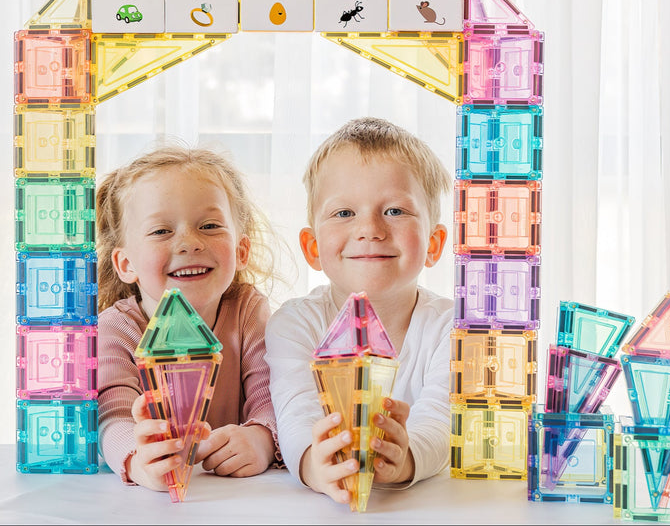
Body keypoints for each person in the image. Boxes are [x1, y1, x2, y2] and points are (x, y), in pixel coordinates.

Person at [265, 117, 453, 504]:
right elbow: (296, 413)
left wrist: (405, 459)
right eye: (344, 213)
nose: (370, 229)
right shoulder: (294, 323)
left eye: (396, 211)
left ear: (434, 244)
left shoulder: (453, 328)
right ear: (313, 247)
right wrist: (313, 466)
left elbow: (440, 419)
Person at [97, 144, 284, 491]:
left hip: (237, 499)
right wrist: (138, 460)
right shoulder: (118, 326)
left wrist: (261, 438)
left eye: (210, 225)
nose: (188, 243)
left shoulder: (248, 310)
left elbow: (272, 398)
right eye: (161, 231)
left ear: (241, 250)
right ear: (126, 264)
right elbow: (113, 416)